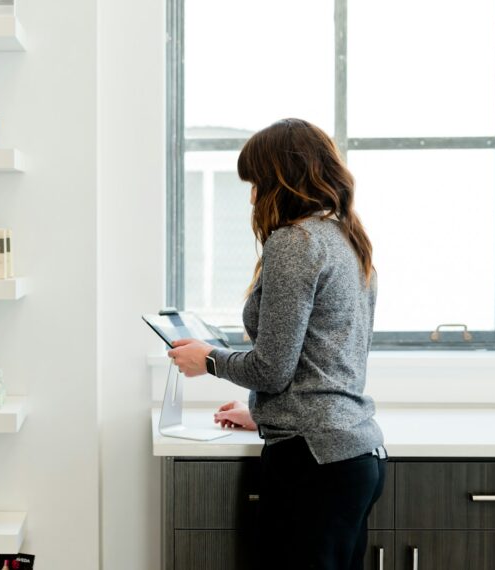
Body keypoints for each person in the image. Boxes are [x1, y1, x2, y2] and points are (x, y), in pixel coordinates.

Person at [168, 118, 386, 570]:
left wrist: (207, 360)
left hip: (314, 464)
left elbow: (271, 368)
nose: (251, 197)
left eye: (255, 182)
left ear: (281, 181)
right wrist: (266, 413)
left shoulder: (295, 241)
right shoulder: (344, 237)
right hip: (352, 455)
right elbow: (326, 359)